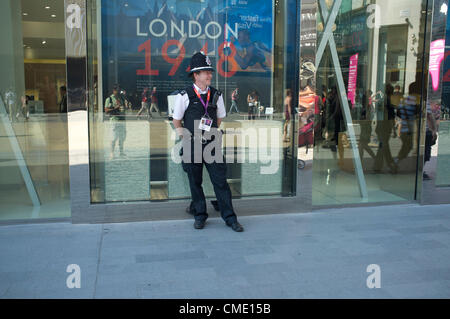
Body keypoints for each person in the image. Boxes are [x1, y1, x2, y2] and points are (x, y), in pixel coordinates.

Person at [172, 51, 244, 232]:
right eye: (206, 71)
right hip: (192, 145)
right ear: (196, 75)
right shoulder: (184, 95)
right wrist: (186, 138)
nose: (210, 74)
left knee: (220, 182)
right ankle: (200, 215)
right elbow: (176, 121)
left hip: (212, 144)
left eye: (210, 71)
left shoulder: (217, 95)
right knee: (195, 183)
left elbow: (219, 119)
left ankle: (230, 218)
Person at [105, 85, 127, 159]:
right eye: (117, 90)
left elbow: (123, 108)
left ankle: (121, 152)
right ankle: (112, 153)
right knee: (113, 137)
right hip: (114, 121)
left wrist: (125, 106)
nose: (118, 92)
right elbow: (106, 110)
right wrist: (115, 108)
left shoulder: (121, 98)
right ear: (114, 90)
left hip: (122, 120)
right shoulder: (109, 99)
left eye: (119, 90)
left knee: (122, 137)